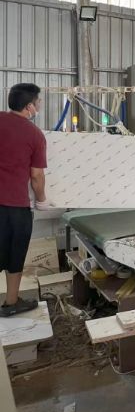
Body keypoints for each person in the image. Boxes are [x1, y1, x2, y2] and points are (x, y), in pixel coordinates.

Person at [0, 83, 52, 317]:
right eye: (38, 102)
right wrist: (42, 201)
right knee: (15, 255)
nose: (39, 105)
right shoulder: (34, 134)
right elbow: (37, 176)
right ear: (29, 106)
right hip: (14, 207)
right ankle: (11, 303)